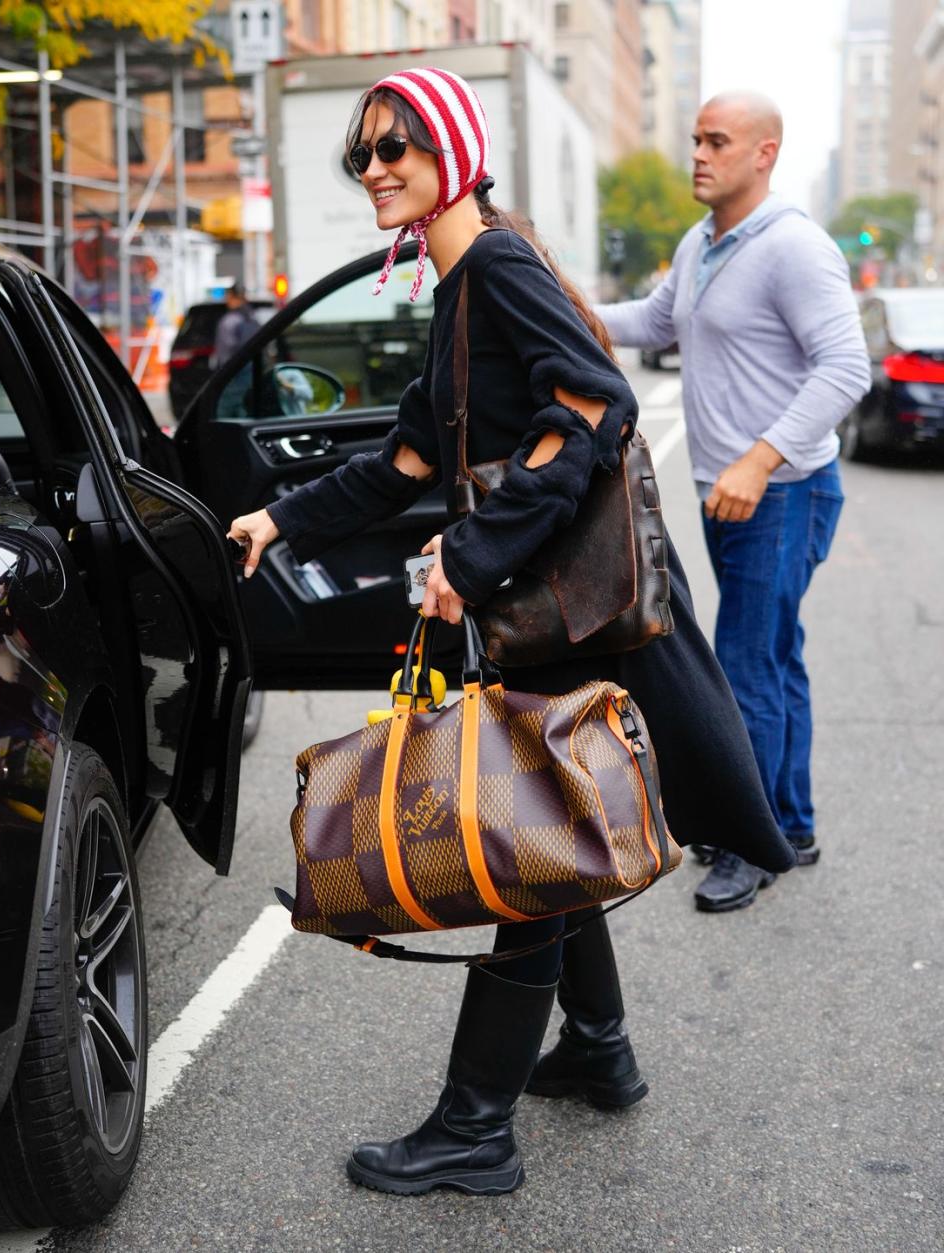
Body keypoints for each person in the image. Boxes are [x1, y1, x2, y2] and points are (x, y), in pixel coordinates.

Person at [228, 68, 796, 1197]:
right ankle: (598, 1047)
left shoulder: (493, 263)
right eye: (364, 154)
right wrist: (278, 517)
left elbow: (592, 403)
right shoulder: (459, 284)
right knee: (554, 833)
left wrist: (467, 559)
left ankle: (474, 1125)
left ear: (454, 153)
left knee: (529, 851)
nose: (377, 168)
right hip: (548, 613)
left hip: (571, 610)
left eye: (399, 147)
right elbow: (406, 461)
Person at [597, 92, 870, 914]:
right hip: (732, 492)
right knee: (773, 654)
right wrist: (562, 307)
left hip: (782, 492)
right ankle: (789, 822)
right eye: (696, 140)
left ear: (766, 153)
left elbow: (847, 367)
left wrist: (758, 459)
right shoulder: (703, 241)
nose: (699, 155)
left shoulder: (794, 248)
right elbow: (655, 319)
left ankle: (752, 847)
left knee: (747, 662)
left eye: (718, 141)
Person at [212, 283, 258, 416]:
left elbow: (225, 357)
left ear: (232, 297)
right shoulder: (253, 318)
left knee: (224, 419)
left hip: (232, 382)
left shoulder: (229, 321)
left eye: (228, 296)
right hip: (251, 381)